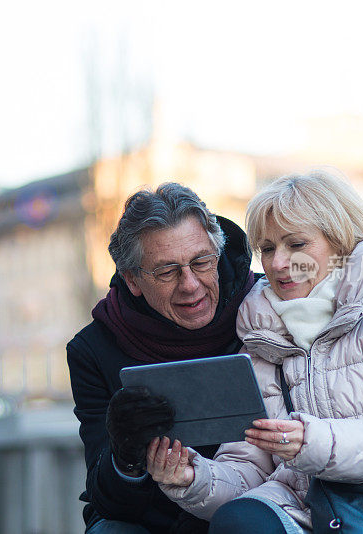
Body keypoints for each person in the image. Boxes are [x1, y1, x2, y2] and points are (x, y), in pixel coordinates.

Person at [146, 170, 363, 533]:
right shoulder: (258, 342)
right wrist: (190, 478)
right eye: (267, 249)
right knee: (237, 521)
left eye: (296, 244)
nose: (278, 263)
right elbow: (249, 467)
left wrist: (310, 442)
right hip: (297, 507)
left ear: (340, 245)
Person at [67, 182, 258, 534]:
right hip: (150, 519)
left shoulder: (266, 308)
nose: (190, 284)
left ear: (217, 254)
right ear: (132, 279)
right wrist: (126, 454)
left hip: (256, 505)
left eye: (201, 262)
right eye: (167, 272)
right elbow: (106, 499)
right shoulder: (94, 348)